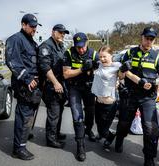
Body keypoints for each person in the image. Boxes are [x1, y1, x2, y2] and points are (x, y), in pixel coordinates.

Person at [115, 27, 159, 166]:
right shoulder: (130, 53)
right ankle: (119, 140)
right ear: (141, 37)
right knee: (124, 124)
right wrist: (123, 70)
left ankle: (149, 158)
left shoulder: (158, 57)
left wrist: (156, 84)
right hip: (130, 95)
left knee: (150, 129)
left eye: (152, 39)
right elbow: (120, 75)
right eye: (147, 38)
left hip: (148, 98)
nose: (149, 41)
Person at [5, 13, 42, 160]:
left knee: (30, 114)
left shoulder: (31, 42)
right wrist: (27, 78)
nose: (34, 29)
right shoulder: (15, 39)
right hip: (24, 85)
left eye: (35, 26)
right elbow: (12, 61)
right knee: (24, 114)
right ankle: (18, 149)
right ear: (23, 25)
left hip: (34, 84)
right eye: (32, 26)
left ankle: (24, 136)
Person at [63, 32, 99, 161]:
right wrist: (82, 69)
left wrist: (93, 69)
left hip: (89, 88)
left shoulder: (94, 54)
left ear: (87, 43)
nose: (81, 49)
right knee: (77, 117)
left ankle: (88, 130)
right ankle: (80, 146)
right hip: (74, 88)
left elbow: (100, 71)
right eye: (78, 47)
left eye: (83, 46)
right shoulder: (68, 53)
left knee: (90, 113)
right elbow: (66, 74)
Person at [38, 24, 69, 148]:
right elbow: (45, 67)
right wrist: (55, 82)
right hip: (51, 85)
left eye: (64, 33)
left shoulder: (61, 46)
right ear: (53, 32)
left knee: (59, 111)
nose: (62, 35)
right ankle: (51, 139)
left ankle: (56, 132)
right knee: (54, 113)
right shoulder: (46, 46)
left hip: (60, 85)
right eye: (60, 32)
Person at [91, 46, 124, 149]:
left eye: (104, 56)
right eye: (100, 57)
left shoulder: (117, 66)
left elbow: (122, 77)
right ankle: (102, 134)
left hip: (110, 104)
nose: (102, 59)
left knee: (104, 129)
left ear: (111, 56)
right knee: (98, 124)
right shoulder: (98, 65)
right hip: (98, 102)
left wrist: (124, 70)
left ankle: (110, 136)